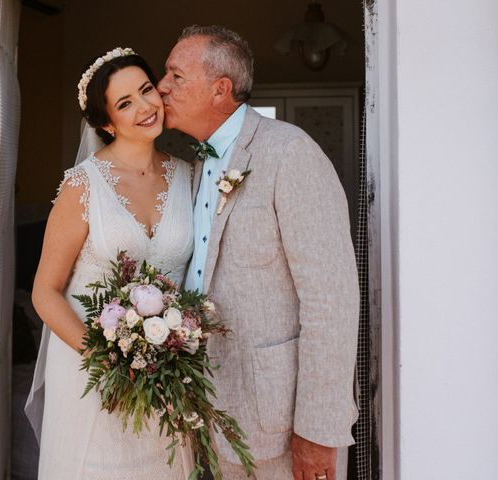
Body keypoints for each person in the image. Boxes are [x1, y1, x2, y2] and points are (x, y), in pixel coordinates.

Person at [157, 26, 360, 480]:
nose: (161, 85)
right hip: (206, 414)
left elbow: (331, 301)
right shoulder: (192, 166)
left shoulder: (290, 153)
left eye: (175, 75)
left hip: (280, 424)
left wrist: (318, 430)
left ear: (220, 89)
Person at [25, 48, 195, 480]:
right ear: (105, 123)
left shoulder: (190, 176)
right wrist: (107, 363)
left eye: (145, 90)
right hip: (94, 376)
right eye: (125, 104)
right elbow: (45, 292)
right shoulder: (82, 186)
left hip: (165, 377)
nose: (144, 107)